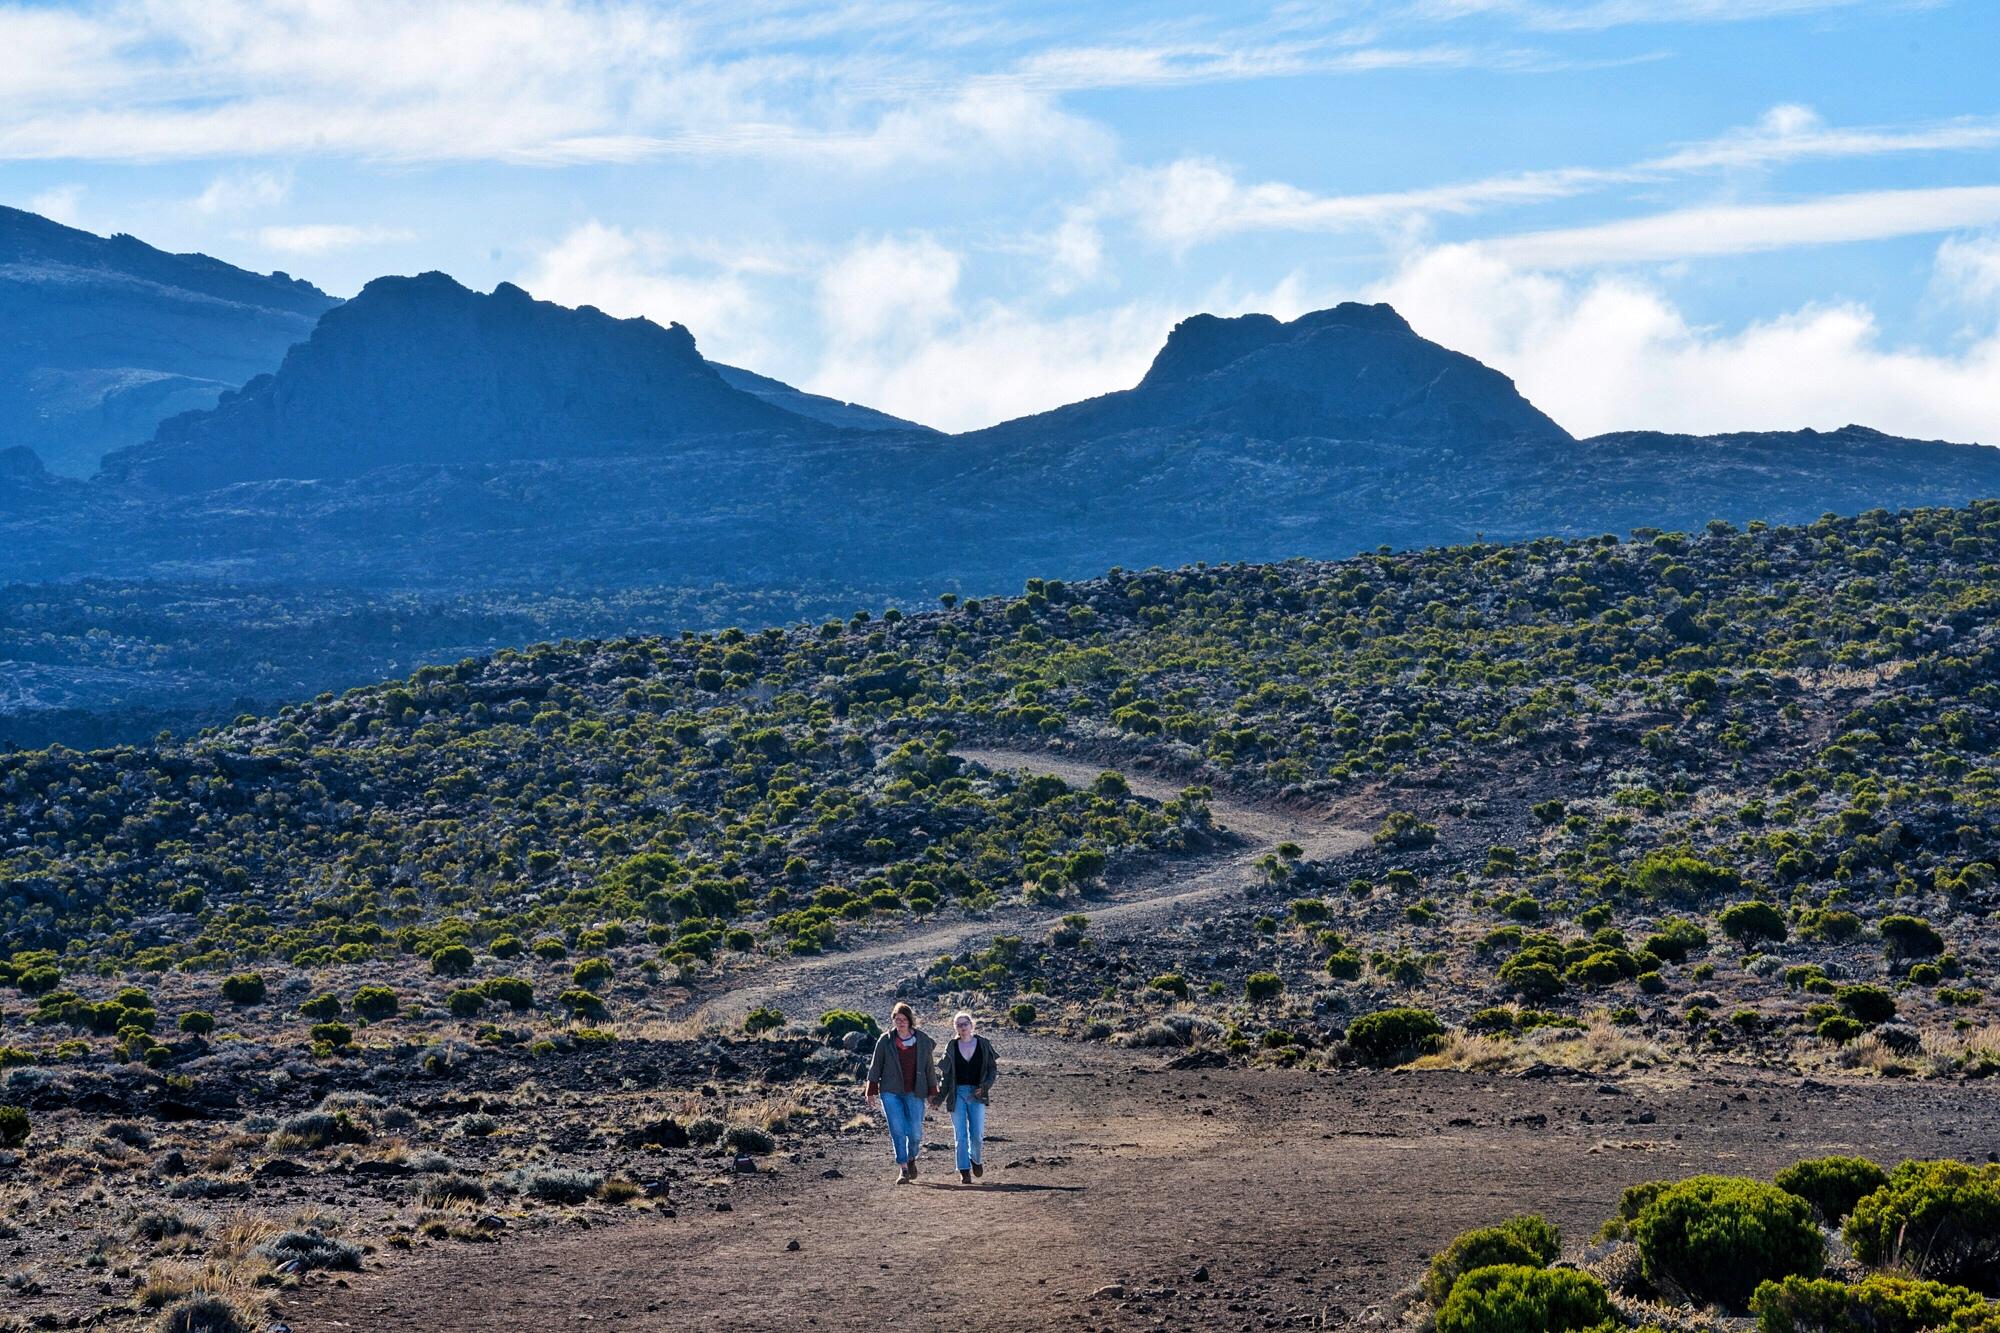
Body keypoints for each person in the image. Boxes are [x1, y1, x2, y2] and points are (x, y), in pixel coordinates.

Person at [864, 1001, 938, 1183]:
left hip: (915, 1091)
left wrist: (932, 1092)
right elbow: (876, 1066)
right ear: (893, 1020)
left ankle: (912, 1158)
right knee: (897, 1130)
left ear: (910, 1020)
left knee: (915, 1133)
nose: (901, 1022)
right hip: (890, 1091)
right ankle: (903, 1168)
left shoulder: (922, 1039)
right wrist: (871, 1090)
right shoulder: (885, 1040)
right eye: (897, 1019)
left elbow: (929, 1068)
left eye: (904, 1019)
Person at [934, 1009, 997, 1185]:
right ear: (955, 1028)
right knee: (960, 1134)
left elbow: (992, 1069)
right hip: (957, 1093)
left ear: (971, 1025)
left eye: (965, 1024)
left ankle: (975, 1159)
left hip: (977, 1094)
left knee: (976, 1134)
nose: (962, 1028)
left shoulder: (984, 1044)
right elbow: (946, 1076)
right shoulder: (951, 1047)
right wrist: (939, 1098)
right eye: (958, 1025)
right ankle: (964, 1170)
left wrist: (985, 1087)